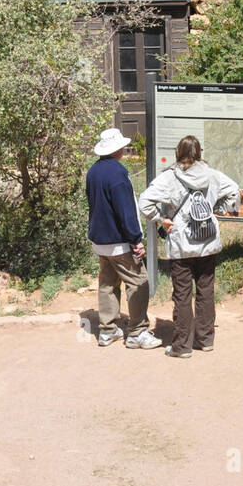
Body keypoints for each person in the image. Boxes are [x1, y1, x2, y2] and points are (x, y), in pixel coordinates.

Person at [138, 136, 240, 359]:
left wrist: (160, 219)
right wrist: (217, 210)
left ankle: (182, 346)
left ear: (177, 152)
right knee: (206, 291)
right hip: (208, 243)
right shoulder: (212, 175)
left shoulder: (169, 178)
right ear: (199, 153)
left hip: (182, 245)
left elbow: (144, 202)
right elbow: (234, 190)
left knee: (182, 295)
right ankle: (205, 340)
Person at [86, 127, 162, 350]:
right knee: (138, 282)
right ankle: (137, 331)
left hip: (100, 240)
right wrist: (135, 239)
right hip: (119, 242)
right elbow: (125, 210)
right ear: (117, 148)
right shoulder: (118, 173)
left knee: (108, 284)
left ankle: (108, 330)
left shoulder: (93, 172)